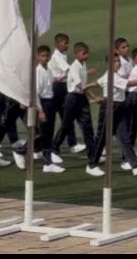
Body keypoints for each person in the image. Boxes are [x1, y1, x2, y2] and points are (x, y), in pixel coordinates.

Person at [90, 53, 137, 177]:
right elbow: (129, 84)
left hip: (120, 107)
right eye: (115, 61)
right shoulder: (112, 76)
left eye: (118, 61)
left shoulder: (113, 75)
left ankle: (135, 165)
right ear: (108, 63)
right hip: (110, 107)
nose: (118, 63)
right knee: (102, 137)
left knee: (124, 137)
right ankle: (92, 165)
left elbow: (98, 82)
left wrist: (86, 87)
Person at [53, 41, 98, 174]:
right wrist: (94, 94)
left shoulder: (83, 65)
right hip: (72, 99)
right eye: (84, 53)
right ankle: (54, 148)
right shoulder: (74, 67)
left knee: (88, 128)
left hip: (81, 98)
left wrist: (90, 95)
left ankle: (92, 157)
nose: (86, 56)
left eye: (87, 53)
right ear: (77, 54)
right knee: (66, 125)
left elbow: (82, 85)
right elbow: (80, 85)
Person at [47, 33, 80, 155]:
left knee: (66, 116)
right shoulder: (57, 56)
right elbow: (69, 70)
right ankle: (67, 143)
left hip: (61, 87)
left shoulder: (61, 55)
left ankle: (71, 142)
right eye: (65, 43)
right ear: (58, 43)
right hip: (58, 88)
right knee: (65, 116)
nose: (67, 45)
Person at [34, 45, 65, 173]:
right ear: (38, 57)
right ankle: (23, 151)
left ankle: (47, 161)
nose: (45, 58)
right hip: (43, 103)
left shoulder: (48, 70)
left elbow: (52, 80)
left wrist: (61, 77)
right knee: (44, 133)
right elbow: (36, 93)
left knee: (48, 133)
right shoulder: (38, 72)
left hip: (50, 102)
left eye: (47, 56)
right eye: (43, 56)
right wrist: (40, 111)